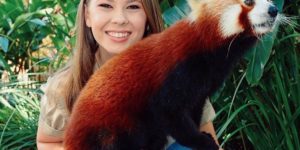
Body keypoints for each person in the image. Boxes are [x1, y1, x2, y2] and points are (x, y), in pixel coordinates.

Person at [36, 0, 219, 149]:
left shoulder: (183, 72)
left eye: (133, 6)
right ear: (87, 15)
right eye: (106, 5)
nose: (120, 19)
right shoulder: (65, 86)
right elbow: (47, 142)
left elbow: (207, 138)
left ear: (147, 15)